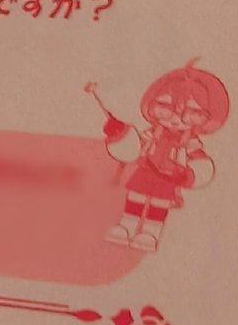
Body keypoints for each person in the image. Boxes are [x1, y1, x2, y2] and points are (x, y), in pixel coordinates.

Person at [86, 62, 229, 252]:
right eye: (165, 109)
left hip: (168, 178)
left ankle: (150, 233)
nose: (175, 119)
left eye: (190, 114)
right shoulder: (154, 133)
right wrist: (120, 134)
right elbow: (136, 147)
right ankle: (127, 227)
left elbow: (197, 158)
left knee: (158, 206)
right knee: (135, 199)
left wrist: (193, 174)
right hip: (146, 171)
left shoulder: (188, 141)